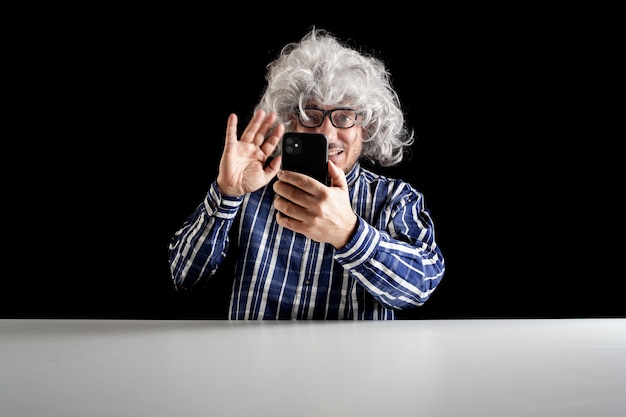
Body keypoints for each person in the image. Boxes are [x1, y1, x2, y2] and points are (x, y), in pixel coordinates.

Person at [168, 27, 445, 320]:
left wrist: (348, 234)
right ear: (292, 123)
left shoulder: (395, 199)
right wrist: (226, 195)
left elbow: (420, 287)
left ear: (366, 127)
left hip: (358, 365)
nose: (326, 132)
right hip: (257, 363)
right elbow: (184, 276)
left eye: (344, 117)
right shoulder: (250, 193)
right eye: (311, 115)